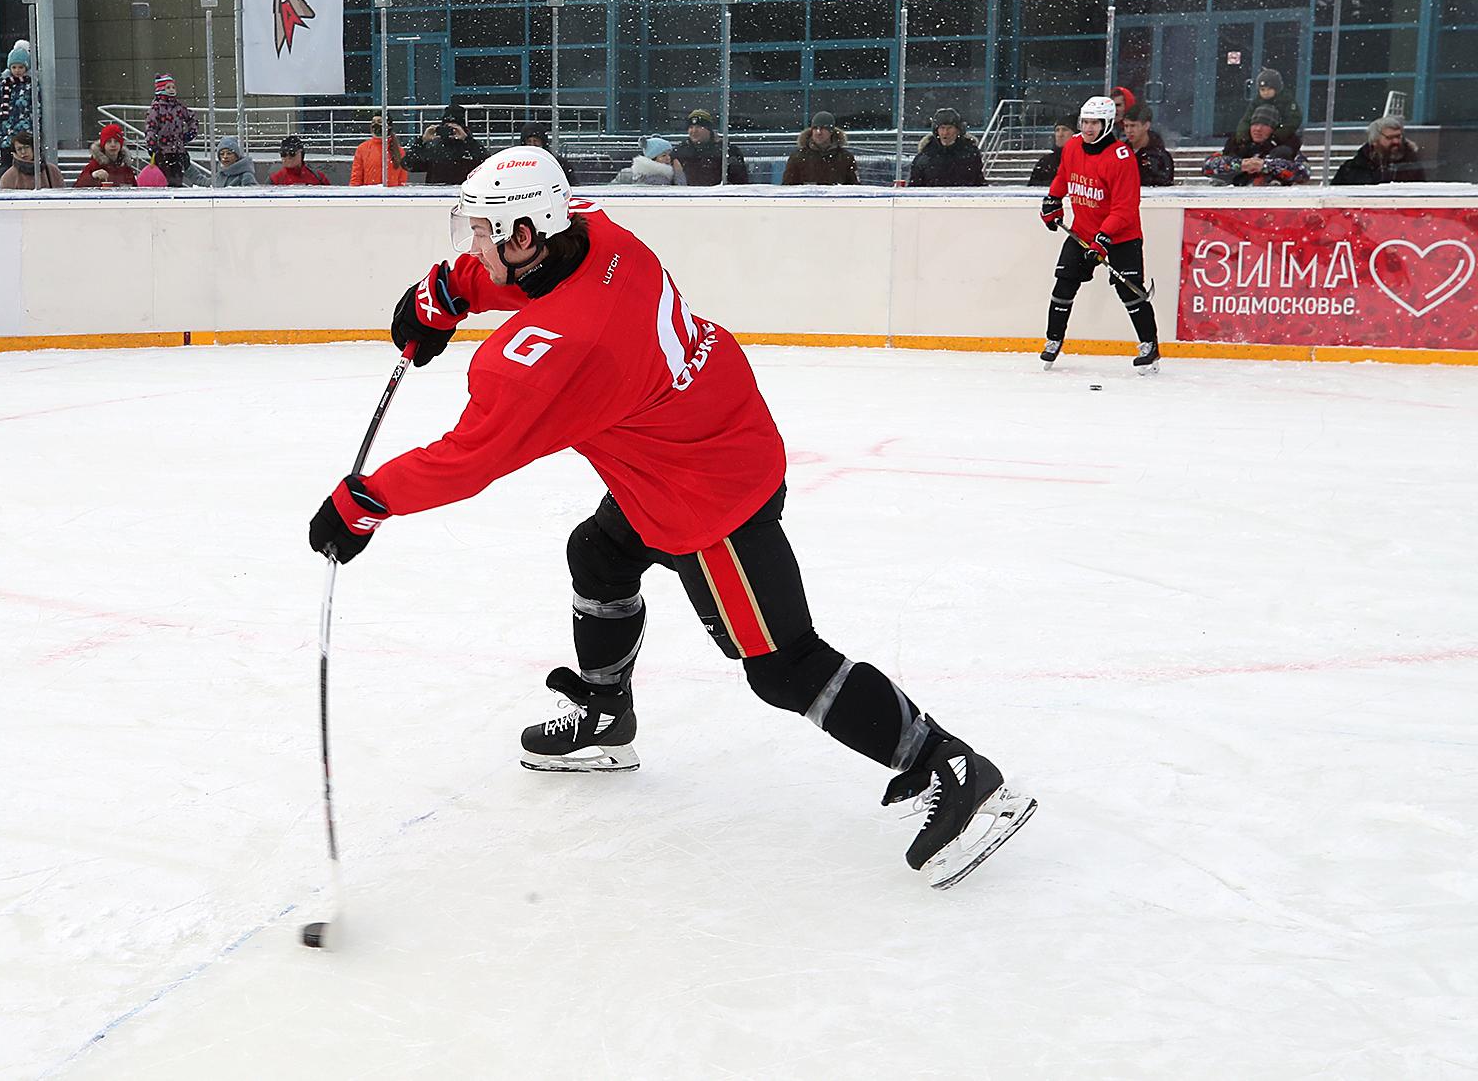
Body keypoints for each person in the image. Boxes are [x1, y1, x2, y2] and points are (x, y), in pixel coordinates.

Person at [305, 147, 1034, 888]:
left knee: (784, 666)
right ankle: (606, 714)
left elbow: (471, 455)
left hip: (708, 494)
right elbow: (533, 280)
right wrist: (447, 292)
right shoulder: (594, 233)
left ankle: (948, 762)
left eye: (485, 233)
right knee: (599, 552)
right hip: (688, 441)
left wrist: (366, 501)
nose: (474, 246)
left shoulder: (567, 347)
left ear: (526, 232)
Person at [1038, 96, 1160, 375]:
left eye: (1095, 122)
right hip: (1083, 231)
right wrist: (1053, 200)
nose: (1089, 128)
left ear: (1107, 124)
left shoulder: (1121, 157)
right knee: (1064, 284)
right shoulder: (1072, 146)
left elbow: (1125, 207)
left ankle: (1149, 345)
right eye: (1085, 122)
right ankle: (1053, 339)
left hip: (1121, 236)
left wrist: (1104, 238)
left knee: (1129, 290)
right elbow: (1064, 176)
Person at [1200, 107, 1309, 187]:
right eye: (1255, 124)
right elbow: (1207, 166)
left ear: (1274, 129)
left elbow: (1303, 173)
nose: (1258, 129)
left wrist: (1266, 166)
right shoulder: (1237, 146)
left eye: (1264, 125)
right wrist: (1239, 165)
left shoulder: (1287, 148)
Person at [402, 103, 489, 185]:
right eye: (447, 127)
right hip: (438, 195)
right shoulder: (434, 149)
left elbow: (487, 164)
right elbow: (408, 164)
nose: (451, 131)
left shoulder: (470, 148)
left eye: (455, 127)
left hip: (463, 192)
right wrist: (422, 141)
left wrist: (467, 140)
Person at [1333, 115, 1426, 185]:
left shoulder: (1413, 166)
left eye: (1398, 136)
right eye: (1389, 138)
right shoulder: (1352, 169)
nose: (1396, 141)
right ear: (1374, 140)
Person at [143, 74, 199, 187]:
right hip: (162, 150)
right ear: (160, 89)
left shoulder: (179, 106)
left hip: (178, 150)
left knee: (177, 178)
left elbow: (192, 118)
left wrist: (191, 133)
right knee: (165, 179)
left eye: (173, 87)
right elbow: (150, 127)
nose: (171, 90)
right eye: (168, 87)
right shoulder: (156, 107)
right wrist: (152, 144)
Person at [908, 108, 985, 187]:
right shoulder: (925, 155)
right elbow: (914, 186)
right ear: (936, 130)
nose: (945, 132)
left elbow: (978, 182)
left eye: (949, 128)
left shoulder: (971, 153)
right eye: (942, 128)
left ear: (958, 130)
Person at [670, 110, 748, 186]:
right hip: (686, 197)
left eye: (699, 127)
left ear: (709, 129)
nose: (694, 131)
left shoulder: (728, 151)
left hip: (718, 197)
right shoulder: (679, 151)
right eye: (691, 127)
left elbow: (739, 182)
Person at [0, 41, 35, 175]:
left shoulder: (30, 85)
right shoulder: (4, 84)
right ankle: (3, 184)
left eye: (20, 67)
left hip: (24, 132)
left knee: (25, 162)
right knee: (6, 162)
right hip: (6, 132)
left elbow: (35, 106)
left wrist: (34, 123)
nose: (17, 70)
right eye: (14, 67)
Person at [1232, 68, 1302, 152]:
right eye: (1262, 90)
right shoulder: (1256, 102)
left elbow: (1292, 121)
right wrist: (1243, 137)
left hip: (1280, 138)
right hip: (1256, 139)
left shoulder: (1286, 101)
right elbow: (1246, 120)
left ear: (1277, 89)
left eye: (1269, 89)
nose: (1266, 92)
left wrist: (1276, 137)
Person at [782, 112, 858, 186]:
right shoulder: (797, 157)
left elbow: (854, 188)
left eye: (823, 128)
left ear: (831, 131)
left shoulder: (845, 157)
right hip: (807, 198)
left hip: (836, 198)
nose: (818, 132)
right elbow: (787, 188)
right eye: (815, 128)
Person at [1122, 105, 1175, 187]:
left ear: (1146, 126)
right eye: (1126, 126)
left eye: (1133, 126)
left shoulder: (1160, 156)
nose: (1129, 131)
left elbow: (1164, 182)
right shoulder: (1119, 153)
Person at [349, 115, 408, 186]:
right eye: (373, 122)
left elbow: (402, 180)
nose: (375, 125)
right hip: (369, 194)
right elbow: (356, 177)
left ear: (388, 126)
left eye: (379, 122)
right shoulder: (362, 148)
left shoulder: (399, 151)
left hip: (391, 195)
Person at [75, 123, 137, 188]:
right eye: (109, 141)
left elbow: (135, 190)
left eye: (116, 141)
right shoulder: (94, 166)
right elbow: (77, 189)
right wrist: (93, 176)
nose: (113, 145)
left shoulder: (126, 168)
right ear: (103, 144)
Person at [0, 130, 64, 189]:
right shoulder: (8, 177)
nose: (23, 152)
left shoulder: (52, 171)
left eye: (26, 147)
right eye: (19, 149)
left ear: (34, 148)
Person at [608, 137, 679, 186]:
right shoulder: (659, 179)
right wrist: (679, 172)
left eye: (669, 155)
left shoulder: (626, 173)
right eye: (664, 155)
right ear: (652, 158)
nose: (668, 158)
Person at [1026, 117, 1073, 188]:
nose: (1060, 134)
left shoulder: (1084, 160)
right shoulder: (1045, 162)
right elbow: (1033, 188)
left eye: (1064, 129)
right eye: (1057, 130)